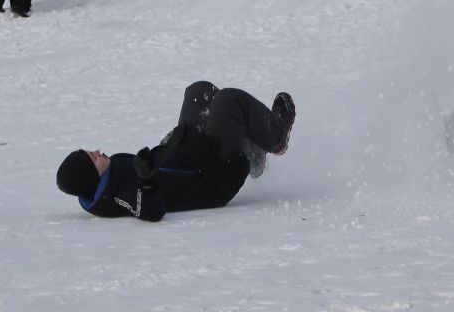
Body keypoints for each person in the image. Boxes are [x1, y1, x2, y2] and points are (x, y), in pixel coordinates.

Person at [56, 81, 296, 222]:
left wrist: (171, 143)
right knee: (230, 101)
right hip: (214, 177)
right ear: (91, 176)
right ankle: (278, 138)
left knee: (199, 91)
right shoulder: (119, 194)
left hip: (194, 156)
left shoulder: (111, 176)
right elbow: (150, 211)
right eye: (93, 157)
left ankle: (254, 155)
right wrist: (146, 181)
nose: (98, 151)